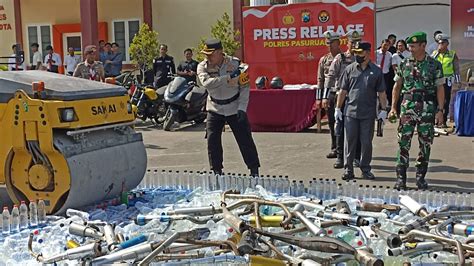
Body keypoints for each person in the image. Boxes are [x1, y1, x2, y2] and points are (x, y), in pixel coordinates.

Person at [389, 32, 445, 190]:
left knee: (425, 144)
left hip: (427, 108)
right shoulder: (404, 64)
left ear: (423, 45)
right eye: (409, 47)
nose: (410, 49)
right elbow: (397, 86)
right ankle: (401, 178)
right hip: (407, 107)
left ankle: (421, 177)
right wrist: (393, 107)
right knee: (403, 142)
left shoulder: (434, 65)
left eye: (413, 46)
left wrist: (440, 110)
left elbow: (440, 88)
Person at [196, 39, 260, 177]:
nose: (207, 57)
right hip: (214, 107)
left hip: (234, 106)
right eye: (205, 54)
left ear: (220, 53)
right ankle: (216, 171)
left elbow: (245, 87)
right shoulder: (202, 66)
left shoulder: (236, 64)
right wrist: (228, 77)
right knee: (212, 141)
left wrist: (242, 108)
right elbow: (206, 83)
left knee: (245, 139)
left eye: (210, 54)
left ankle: (254, 170)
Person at [336, 41, 388, 180]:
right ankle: (348, 170)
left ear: (367, 52)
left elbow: (381, 92)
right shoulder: (350, 69)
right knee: (350, 141)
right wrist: (337, 108)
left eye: (360, 52)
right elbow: (343, 90)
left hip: (368, 113)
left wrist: (384, 110)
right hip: (350, 112)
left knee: (366, 142)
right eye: (356, 52)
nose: (357, 55)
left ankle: (365, 169)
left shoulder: (376, 71)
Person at [325, 30, 362, 169]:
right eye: (352, 42)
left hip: (356, 98)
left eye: (357, 42)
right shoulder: (340, 58)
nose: (355, 45)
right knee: (339, 128)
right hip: (340, 96)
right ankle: (340, 157)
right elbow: (330, 77)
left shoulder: (361, 58)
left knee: (356, 129)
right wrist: (326, 96)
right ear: (347, 43)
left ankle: (356, 157)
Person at [317, 30, 341, 159]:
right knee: (332, 122)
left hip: (342, 93)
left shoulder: (345, 57)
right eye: (328, 43)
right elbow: (320, 79)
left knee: (343, 123)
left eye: (332, 42)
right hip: (329, 94)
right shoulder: (324, 59)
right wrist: (319, 98)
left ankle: (344, 149)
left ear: (338, 43)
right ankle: (334, 148)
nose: (330, 45)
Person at [431, 34, 461, 127]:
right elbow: (430, 64)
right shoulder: (435, 53)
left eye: (442, 43)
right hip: (436, 80)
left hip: (447, 80)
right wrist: (437, 53)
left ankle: (443, 121)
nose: (440, 45)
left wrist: (458, 81)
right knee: (434, 100)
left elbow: (456, 69)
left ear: (447, 44)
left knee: (445, 101)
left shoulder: (452, 54)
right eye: (439, 43)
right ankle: (434, 121)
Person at [376, 39, 393, 106]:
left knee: (383, 91)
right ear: (381, 45)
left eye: (388, 45)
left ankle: (383, 106)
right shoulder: (376, 53)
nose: (386, 47)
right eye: (385, 45)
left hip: (385, 75)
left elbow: (389, 65)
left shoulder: (389, 55)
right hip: (376, 74)